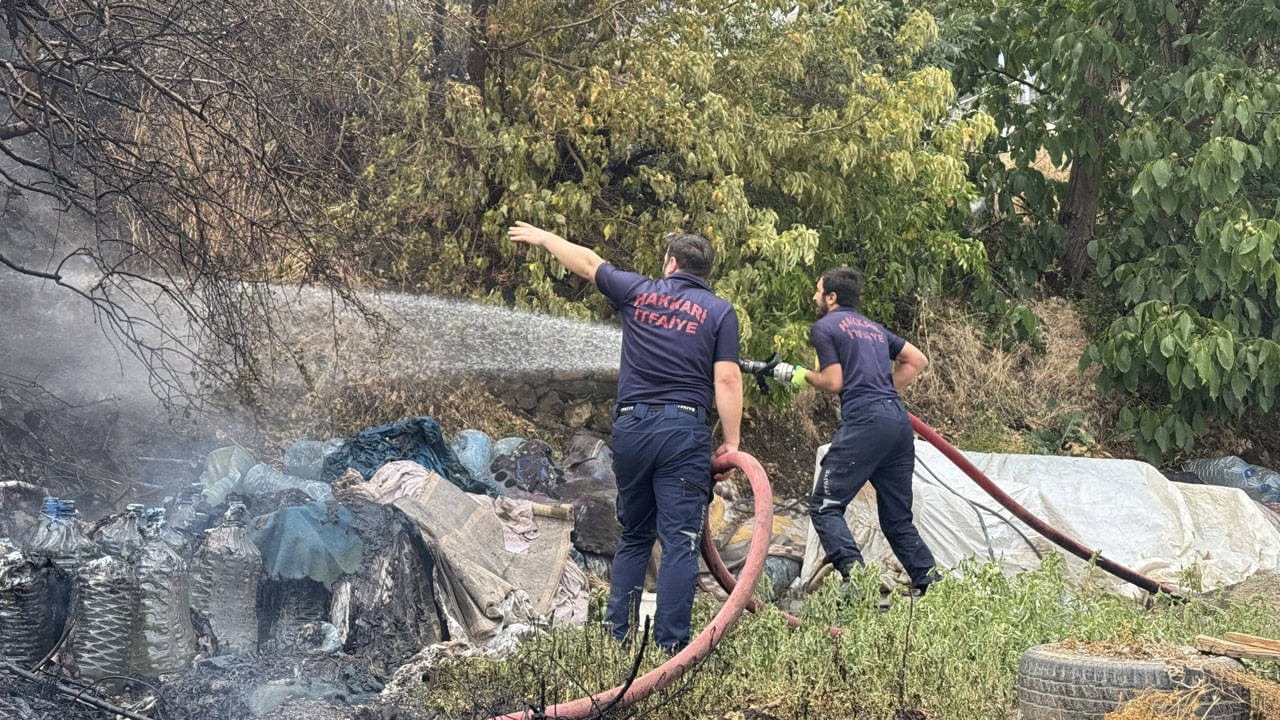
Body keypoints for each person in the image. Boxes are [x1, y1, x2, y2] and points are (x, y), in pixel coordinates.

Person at [507, 221, 743, 652]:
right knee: (679, 541)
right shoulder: (720, 312)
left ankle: (615, 643)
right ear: (704, 272)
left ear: (671, 262)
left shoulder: (640, 291)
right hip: (681, 430)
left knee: (635, 534)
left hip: (632, 427)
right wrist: (732, 443)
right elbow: (726, 378)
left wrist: (544, 238)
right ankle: (670, 651)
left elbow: (589, 262)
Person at [787, 266, 937, 593]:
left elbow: (833, 381)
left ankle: (859, 583)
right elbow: (917, 360)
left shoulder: (825, 326)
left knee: (825, 506)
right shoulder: (873, 328)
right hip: (897, 424)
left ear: (831, 297)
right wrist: (885, 387)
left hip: (866, 421)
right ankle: (933, 585)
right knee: (897, 520)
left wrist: (803, 376)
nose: (814, 296)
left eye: (818, 291)